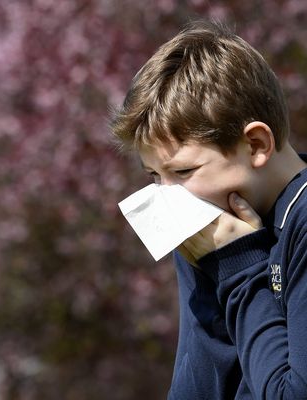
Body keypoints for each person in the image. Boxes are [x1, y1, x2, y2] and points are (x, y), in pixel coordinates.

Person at [112, 20, 307, 399]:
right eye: (154, 176)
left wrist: (242, 268)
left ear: (255, 144)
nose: (169, 196)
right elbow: (197, 382)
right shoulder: (211, 225)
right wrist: (216, 266)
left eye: (183, 171)